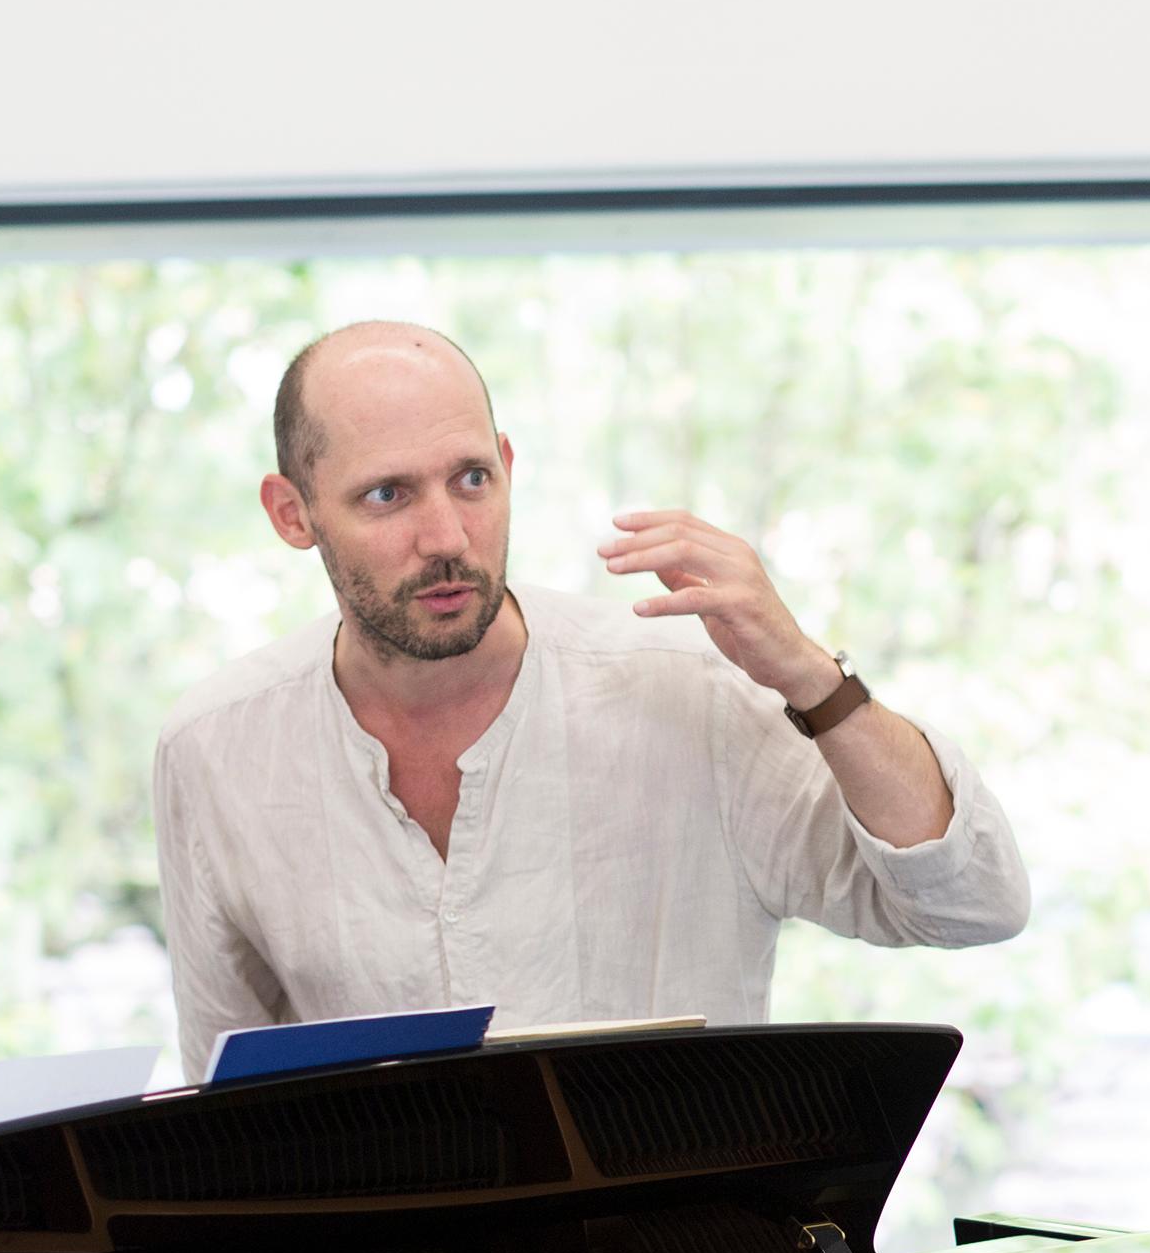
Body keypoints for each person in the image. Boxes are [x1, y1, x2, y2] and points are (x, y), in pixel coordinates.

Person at [149, 322, 1028, 1081]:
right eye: (387, 495)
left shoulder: (690, 691)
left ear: (507, 466)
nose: (448, 538)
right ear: (292, 514)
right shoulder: (215, 749)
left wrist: (807, 675)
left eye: (470, 480)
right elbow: (231, 1111)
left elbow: (969, 904)